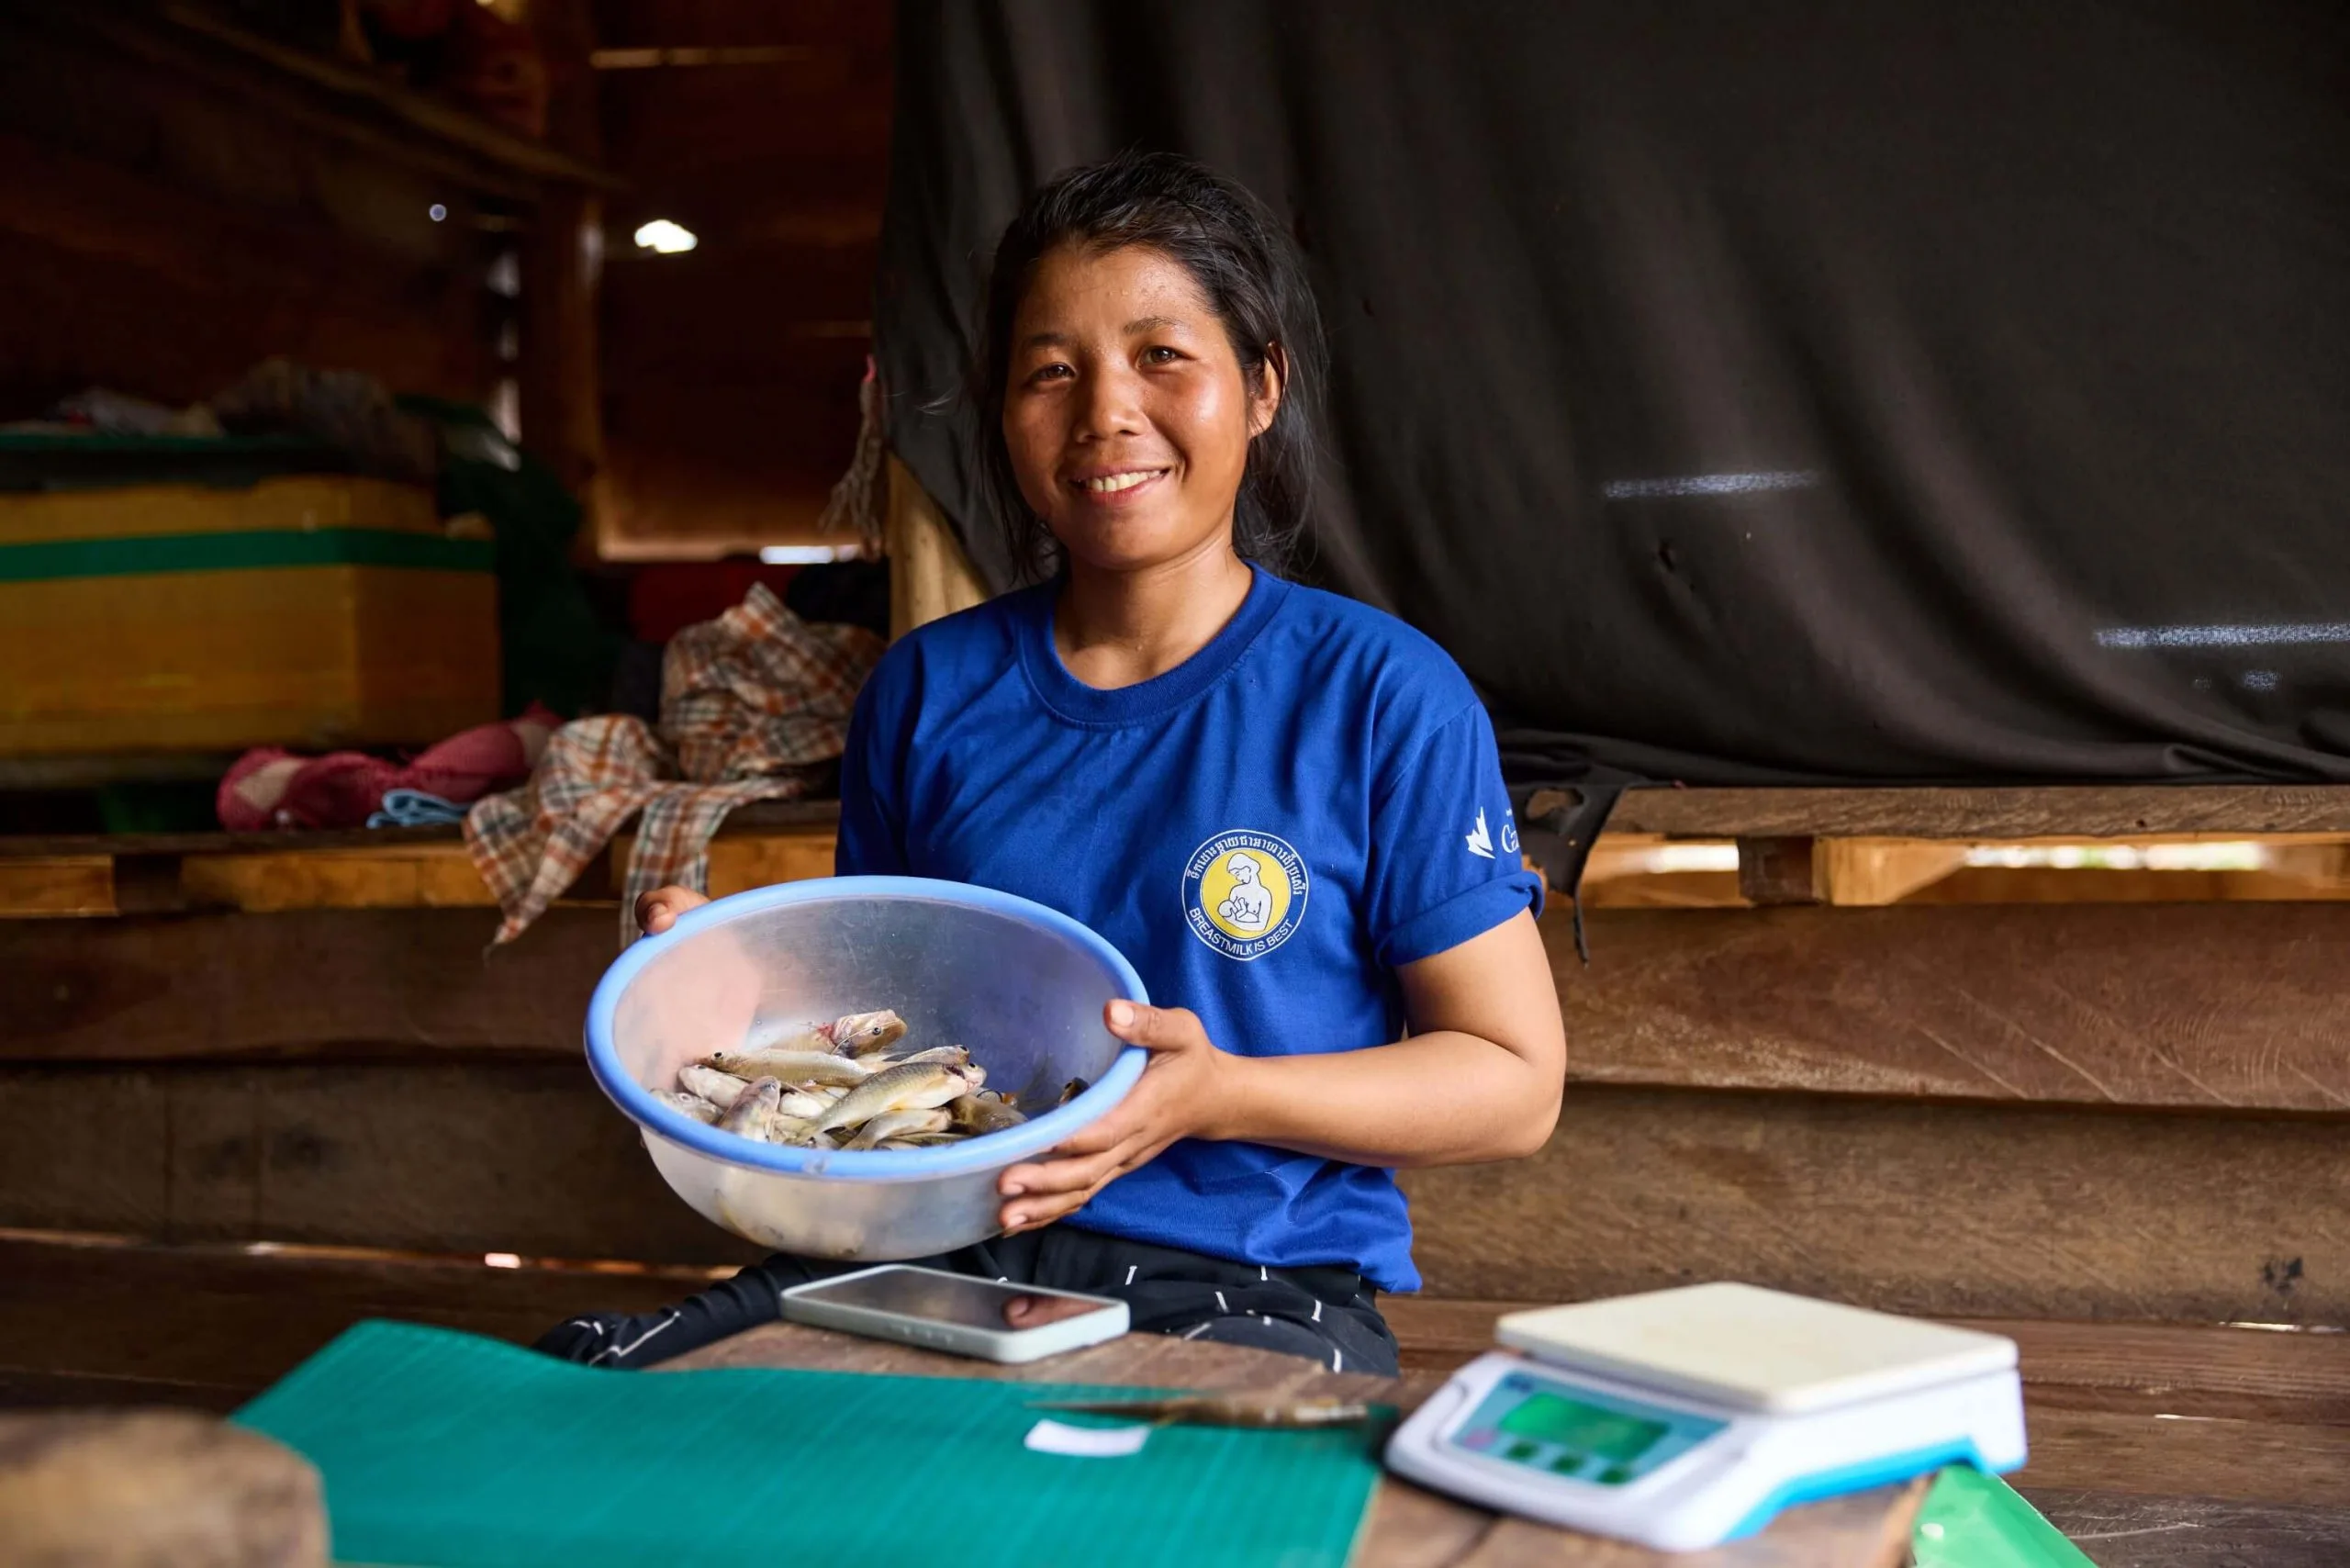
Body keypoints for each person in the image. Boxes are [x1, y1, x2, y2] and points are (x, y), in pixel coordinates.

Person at [537, 151, 1567, 1377]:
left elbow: (1512, 1084)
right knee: (609, 1393)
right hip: (931, 1260)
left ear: (1262, 386)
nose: (1105, 414)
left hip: (1248, 1280)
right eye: (1050, 372)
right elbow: (899, 1039)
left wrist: (1217, 1093)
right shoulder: (927, 691)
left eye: (1162, 356)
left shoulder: (1378, 695)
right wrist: (717, 1001)